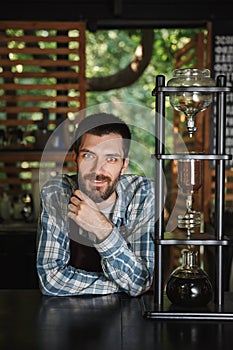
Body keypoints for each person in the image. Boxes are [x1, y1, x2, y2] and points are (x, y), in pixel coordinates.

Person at [36, 112, 155, 296]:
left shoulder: (143, 194)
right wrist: (122, 286)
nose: (98, 170)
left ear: (124, 165)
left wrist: (102, 229)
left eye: (111, 159)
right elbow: (51, 280)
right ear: (75, 159)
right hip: (69, 319)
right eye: (89, 156)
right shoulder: (57, 193)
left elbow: (141, 281)